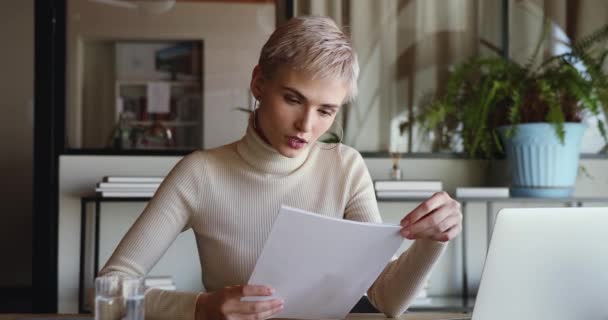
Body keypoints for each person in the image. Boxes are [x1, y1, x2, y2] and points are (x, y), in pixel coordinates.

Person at [98, 15, 462, 320]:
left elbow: (387, 299)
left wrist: (434, 241)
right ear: (258, 83)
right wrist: (199, 307)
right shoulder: (199, 174)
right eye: (292, 99)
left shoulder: (345, 167)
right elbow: (110, 290)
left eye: (326, 111)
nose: (306, 125)